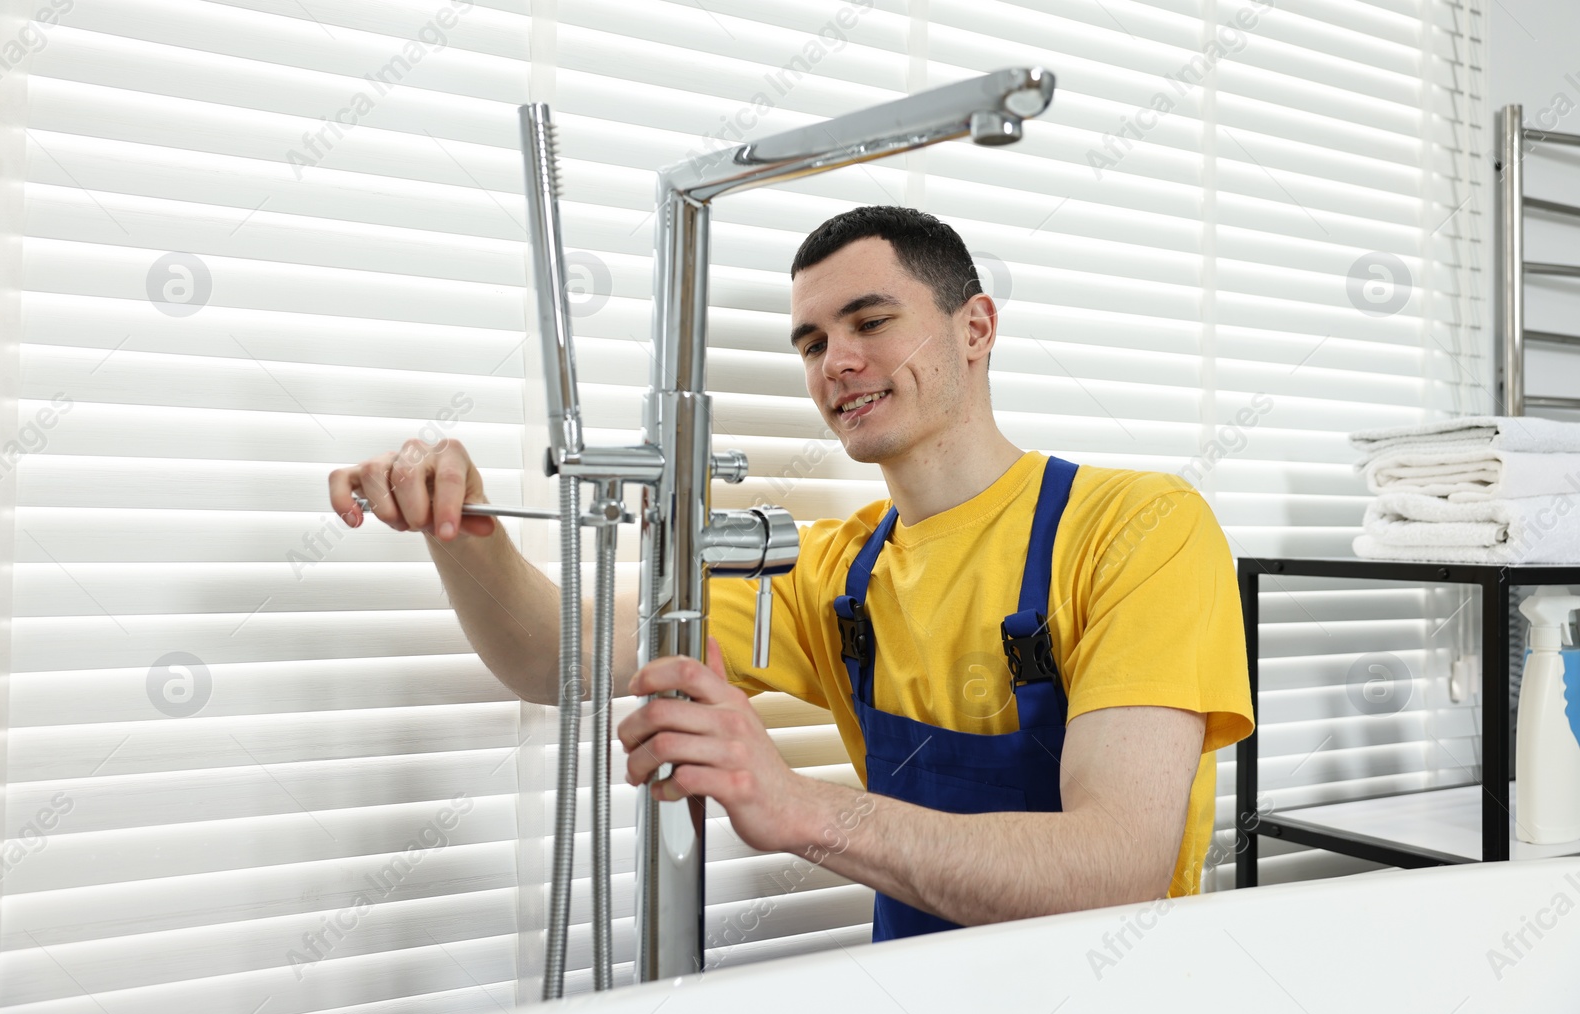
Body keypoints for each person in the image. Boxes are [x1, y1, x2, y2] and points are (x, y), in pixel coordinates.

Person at [329, 205, 1254, 942]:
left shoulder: (1139, 529)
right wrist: (463, 528)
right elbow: (546, 656)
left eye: (871, 320)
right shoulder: (835, 572)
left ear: (976, 327)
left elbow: (1116, 866)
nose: (837, 363)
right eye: (811, 342)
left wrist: (798, 806)